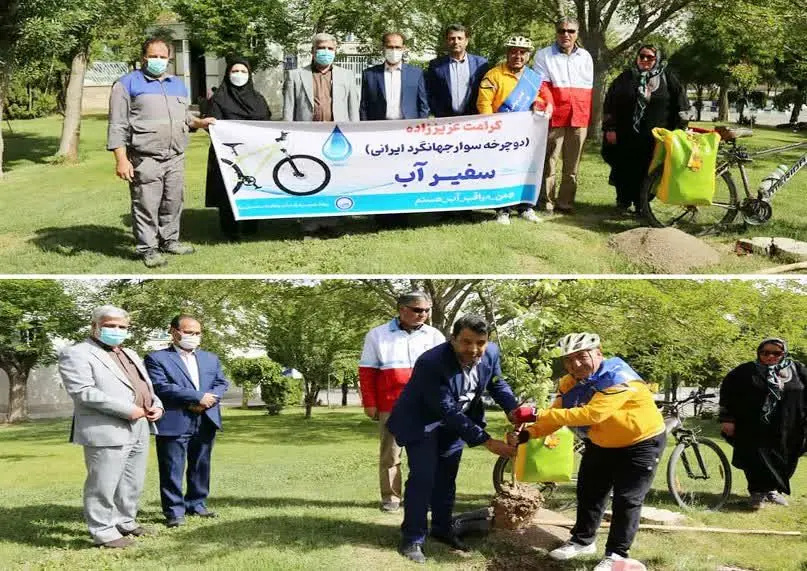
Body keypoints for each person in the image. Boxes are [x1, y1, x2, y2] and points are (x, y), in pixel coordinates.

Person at [511, 332, 665, 571]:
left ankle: (616, 555)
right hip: (601, 443)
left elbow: (592, 415)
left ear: (599, 354)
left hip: (640, 442)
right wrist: (528, 434)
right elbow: (557, 416)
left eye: (582, 356)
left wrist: (536, 413)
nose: (575, 364)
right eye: (569, 360)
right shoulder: (569, 383)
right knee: (589, 492)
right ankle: (582, 541)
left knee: (627, 499)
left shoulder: (619, 377)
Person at [387, 314, 519, 564]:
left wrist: (514, 411)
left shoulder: (491, 353)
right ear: (453, 339)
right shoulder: (431, 362)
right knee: (424, 478)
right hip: (422, 422)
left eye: (480, 342)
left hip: (454, 425)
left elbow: (497, 384)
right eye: (466, 342)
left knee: (446, 479)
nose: (474, 349)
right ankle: (412, 538)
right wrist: (487, 441)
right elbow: (446, 409)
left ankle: (442, 528)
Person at [58, 305, 164, 548]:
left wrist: (157, 405)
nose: (117, 330)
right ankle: (103, 532)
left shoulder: (130, 353)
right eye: (110, 326)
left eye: (122, 327)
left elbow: (145, 386)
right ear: (94, 326)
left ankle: (125, 522)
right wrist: (128, 410)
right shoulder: (76, 353)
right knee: (103, 484)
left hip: (140, 425)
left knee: (132, 481)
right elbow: (83, 392)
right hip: (106, 428)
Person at [107, 36, 216, 267]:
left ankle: (170, 241)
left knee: (173, 201)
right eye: (153, 56)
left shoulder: (177, 84)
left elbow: (184, 117)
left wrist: (200, 122)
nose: (158, 60)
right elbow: (117, 125)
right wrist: (121, 160)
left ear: (169, 58)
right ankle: (148, 249)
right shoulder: (126, 84)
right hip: (145, 157)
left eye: (162, 56)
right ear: (143, 57)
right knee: (146, 203)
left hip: (175, 156)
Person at [359, 292, 446, 513]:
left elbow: (445, 372)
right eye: (418, 310)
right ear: (402, 309)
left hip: (426, 406)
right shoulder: (377, 335)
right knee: (391, 454)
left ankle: (422, 497)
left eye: (427, 310)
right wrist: (369, 403)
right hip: (391, 405)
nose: (423, 314)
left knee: (425, 455)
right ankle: (391, 498)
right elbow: (367, 372)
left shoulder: (435, 336)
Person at [144, 315, 230, 527]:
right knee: (172, 467)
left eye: (198, 333)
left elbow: (221, 383)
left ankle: (196, 504)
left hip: (206, 418)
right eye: (189, 332)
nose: (194, 336)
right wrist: (198, 397)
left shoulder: (210, 358)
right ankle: (174, 512)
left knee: (201, 465)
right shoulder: (157, 358)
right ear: (174, 332)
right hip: (175, 420)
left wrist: (208, 400)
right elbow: (161, 386)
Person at [284, 32, 361, 235]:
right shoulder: (295, 75)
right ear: (312, 51)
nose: (325, 52)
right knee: (308, 177)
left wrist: (355, 134)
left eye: (330, 48)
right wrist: (288, 136)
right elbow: (288, 111)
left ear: (335, 51)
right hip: (306, 137)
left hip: (337, 137)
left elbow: (353, 109)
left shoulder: (347, 75)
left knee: (336, 177)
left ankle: (333, 220)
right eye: (321, 48)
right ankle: (310, 222)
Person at [719, 338, 806, 510]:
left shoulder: (798, 370)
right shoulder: (745, 371)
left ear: (784, 353)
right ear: (759, 353)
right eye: (765, 353)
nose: (770, 356)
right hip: (753, 426)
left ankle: (773, 490)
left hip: (789, 426)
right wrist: (727, 419)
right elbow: (728, 394)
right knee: (755, 458)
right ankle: (757, 492)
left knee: (785, 458)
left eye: (776, 353)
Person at [601, 45, 690, 213]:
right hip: (626, 136)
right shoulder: (625, 78)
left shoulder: (668, 78)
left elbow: (682, 104)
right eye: (642, 56)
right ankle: (623, 202)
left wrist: (680, 129)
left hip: (655, 138)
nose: (645, 60)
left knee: (649, 171)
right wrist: (610, 128)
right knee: (624, 168)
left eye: (650, 57)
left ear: (657, 59)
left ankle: (643, 205)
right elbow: (610, 104)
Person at [477, 35, 553, 225]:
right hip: (500, 132)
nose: (518, 56)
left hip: (526, 134)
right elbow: (484, 102)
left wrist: (539, 103)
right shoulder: (494, 74)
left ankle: (525, 207)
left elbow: (544, 99)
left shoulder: (534, 78)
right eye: (513, 52)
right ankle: (502, 210)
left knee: (526, 170)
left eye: (522, 52)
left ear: (528, 55)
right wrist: (491, 127)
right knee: (503, 171)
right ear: (507, 53)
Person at [205, 57, 272, 241]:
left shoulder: (258, 99)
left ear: (250, 75)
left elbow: (266, 122)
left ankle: (252, 225)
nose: (239, 75)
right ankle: (230, 230)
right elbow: (213, 125)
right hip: (227, 153)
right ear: (227, 74)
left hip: (253, 153)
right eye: (235, 71)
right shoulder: (218, 99)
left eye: (243, 71)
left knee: (252, 186)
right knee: (228, 189)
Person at [533, 18, 593, 214]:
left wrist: (585, 115)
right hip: (555, 115)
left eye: (571, 31)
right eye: (561, 30)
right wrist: (550, 105)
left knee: (572, 164)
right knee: (549, 161)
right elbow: (542, 86)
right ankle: (546, 202)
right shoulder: (543, 55)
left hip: (579, 115)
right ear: (556, 32)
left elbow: (588, 88)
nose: (566, 34)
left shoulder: (585, 56)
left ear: (577, 33)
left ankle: (565, 203)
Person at [360, 32, 430, 121]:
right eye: (389, 47)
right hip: (379, 125)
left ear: (403, 48)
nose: (393, 50)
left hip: (408, 125)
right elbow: (364, 106)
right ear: (383, 48)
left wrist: (421, 125)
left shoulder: (416, 73)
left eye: (397, 47)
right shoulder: (370, 74)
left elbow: (423, 105)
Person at [425, 24, 489, 118]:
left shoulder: (480, 64)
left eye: (460, 38)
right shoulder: (436, 65)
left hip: (473, 119)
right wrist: (437, 111)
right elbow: (430, 92)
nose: (456, 42)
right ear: (447, 41)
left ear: (466, 41)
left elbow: (486, 92)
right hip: (445, 119)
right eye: (452, 38)